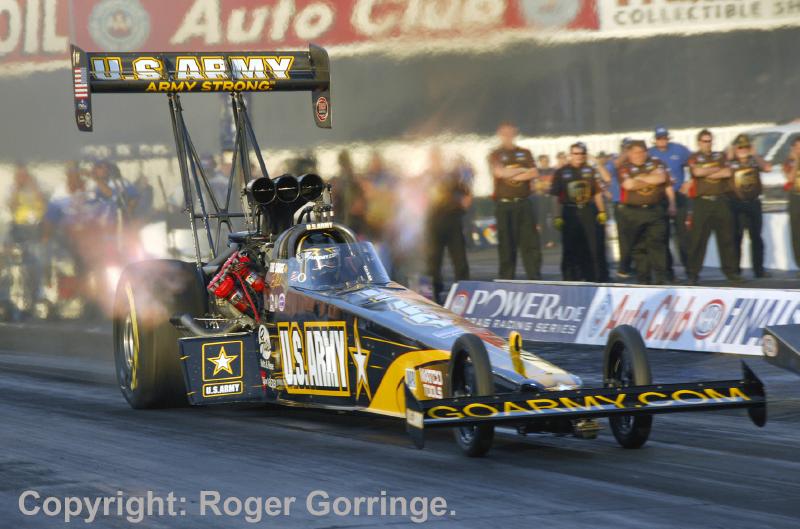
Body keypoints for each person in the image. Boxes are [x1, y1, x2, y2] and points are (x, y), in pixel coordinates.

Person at [488, 122, 541, 280]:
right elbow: (499, 173)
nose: (508, 136)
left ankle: (534, 277)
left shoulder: (524, 153)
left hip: (523, 202)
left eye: (510, 133)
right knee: (506, 244)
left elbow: (534, 173)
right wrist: (521, 170)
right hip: (504, 204)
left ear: (515, 133)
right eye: (504, 133)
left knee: (530, 243)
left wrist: (513, 174)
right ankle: (506, 278)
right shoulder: (495, 154)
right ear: (500, 134)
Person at [686, 130, 740, 284]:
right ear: (699, 142)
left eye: (709, 141)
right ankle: (693, 273)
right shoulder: (694, 157)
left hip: (720, 200)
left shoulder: (720, 156)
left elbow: (728, 172)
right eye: (704, 141)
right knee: (698, 239)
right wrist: (716, 169)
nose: (707, 144)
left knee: (726, 238)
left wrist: (707, 172)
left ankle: (731, 272)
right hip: (702, 201)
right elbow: (697, 172)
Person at [617, 140, 675, 285]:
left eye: (642, 152)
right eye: (636, 152)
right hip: (633, 211)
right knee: (639, 247)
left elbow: (662, 178)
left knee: (658, 243)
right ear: (629, 153)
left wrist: (638, 178)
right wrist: (650, 179)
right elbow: (628, 185)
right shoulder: (624, 167)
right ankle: (644, 279)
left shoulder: (656, 163)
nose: (639, 155)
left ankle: (661, 278)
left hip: (655, 210)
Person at [551, 142, 608, 282]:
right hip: (570, 211)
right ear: (570, 155)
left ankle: (593, 277)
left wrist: (602, 211)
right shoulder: (561, 172)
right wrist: (557, 216)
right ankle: (570, 278)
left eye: (582, 153)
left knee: (592, 246)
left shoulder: (590, 170)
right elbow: (555, 197)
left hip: (588, 210)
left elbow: (598, 192)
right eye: (576, 153)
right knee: (570, 247)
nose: (579, 156)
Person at [425, 147, 471, 302]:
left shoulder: (451, 176)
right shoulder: (425, 177)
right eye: (433, 158)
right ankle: (434, 295)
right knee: (433, 261)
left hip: (452, 220)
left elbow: (466, 191)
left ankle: (464, 292)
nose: (436, 161)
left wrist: (464, 204)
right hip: (433, 221)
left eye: (437, 158)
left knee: (459, 259)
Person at [648, 126, 691, 279]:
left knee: (683, 234)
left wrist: (689, 182)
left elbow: (694, 163)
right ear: (655, 140)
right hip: (660, 197)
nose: (662, 141)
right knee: (662, 234)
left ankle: (689, 269)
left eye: (664, 137)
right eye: (659, 138)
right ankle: (668, 271)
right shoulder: (649, 153)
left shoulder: (679, 150)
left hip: (678, 194)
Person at [728, 134, 769, 278]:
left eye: (745, 147)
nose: (743, 150)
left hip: (753, 203)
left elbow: (767, 167)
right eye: (740, 147)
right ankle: (736, 271)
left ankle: (759, 270)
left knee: (756, 238)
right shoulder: (731, 163)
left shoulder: (754, 161)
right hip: (737, 204)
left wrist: (755, 154)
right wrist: (731, 153)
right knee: (736, 238)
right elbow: (722, 166)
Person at [598, 138, 634, 278]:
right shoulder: (614, 160)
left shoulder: (637, 160)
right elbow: (605, 175)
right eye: (627, 148)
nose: (629, 151)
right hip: (620, 201)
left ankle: (637, 264)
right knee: (624, 236)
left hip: (635, 201)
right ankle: (624, 267)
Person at [783, 137, 800, 273]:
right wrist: (797, 161)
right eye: (797, 147)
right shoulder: (788, 162)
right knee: (797, 233)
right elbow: (790, 179)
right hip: (795, 198)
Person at [533, 154, 556, 248]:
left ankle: (553, 240)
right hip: (541, 198)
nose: (545, 162)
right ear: (540, 162)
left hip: (552, 197)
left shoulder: (553, 170)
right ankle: (544, 240)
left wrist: (544, 185)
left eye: (546, 160)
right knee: (542, 219)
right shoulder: (537, 171)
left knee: (554, 219)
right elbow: (536, 186)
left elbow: (555, 183)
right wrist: (545, 185)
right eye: (543, 161)